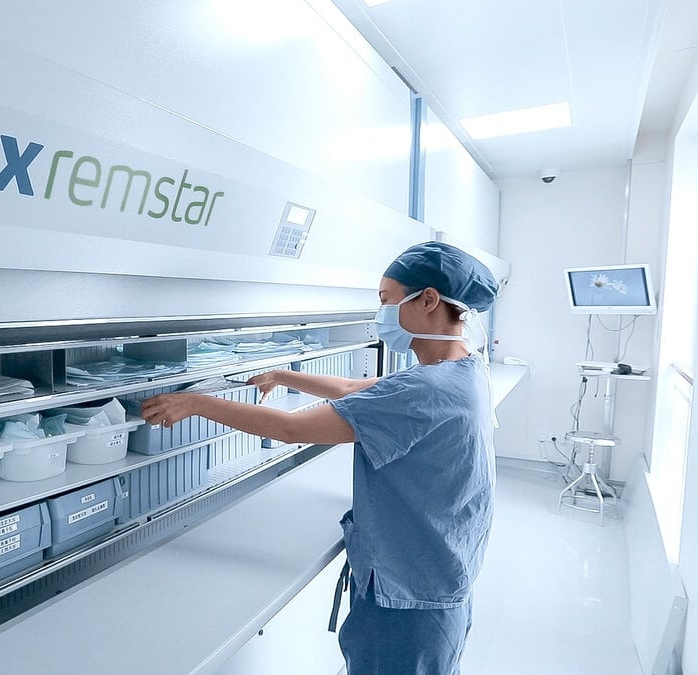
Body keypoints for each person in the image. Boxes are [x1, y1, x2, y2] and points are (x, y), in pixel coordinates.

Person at [140, 241, 499, 674]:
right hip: (439, 574)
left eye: (386, 301)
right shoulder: (463, 370)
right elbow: (356, 392)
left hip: (408, 594)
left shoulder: (423, 390)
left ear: (427, 300)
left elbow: (292, 430)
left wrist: (197, 403)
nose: (380, 314)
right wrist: (283, 374)